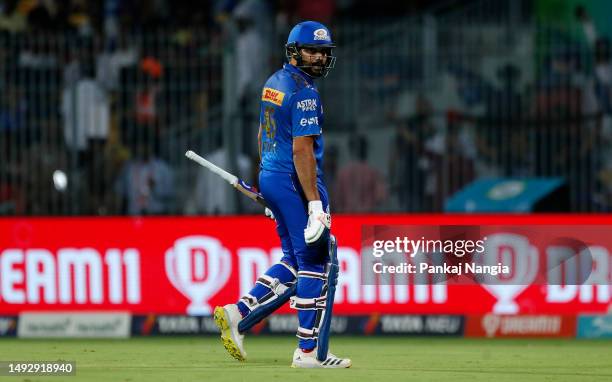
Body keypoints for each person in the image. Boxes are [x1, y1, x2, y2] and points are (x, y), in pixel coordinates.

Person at [213, 20, 351, 369]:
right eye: (311, 51)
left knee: (293, 259)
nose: (319, 58)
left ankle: (238, 312)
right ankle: (307, 352)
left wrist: (271, 187)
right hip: (295, 180)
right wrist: (314, 205)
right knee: (316, 262)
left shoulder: (273, 83)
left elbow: (264, 135)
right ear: (293, 51)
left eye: (323, 52)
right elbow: (302, 152)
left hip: (274, 176)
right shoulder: (305, 93)